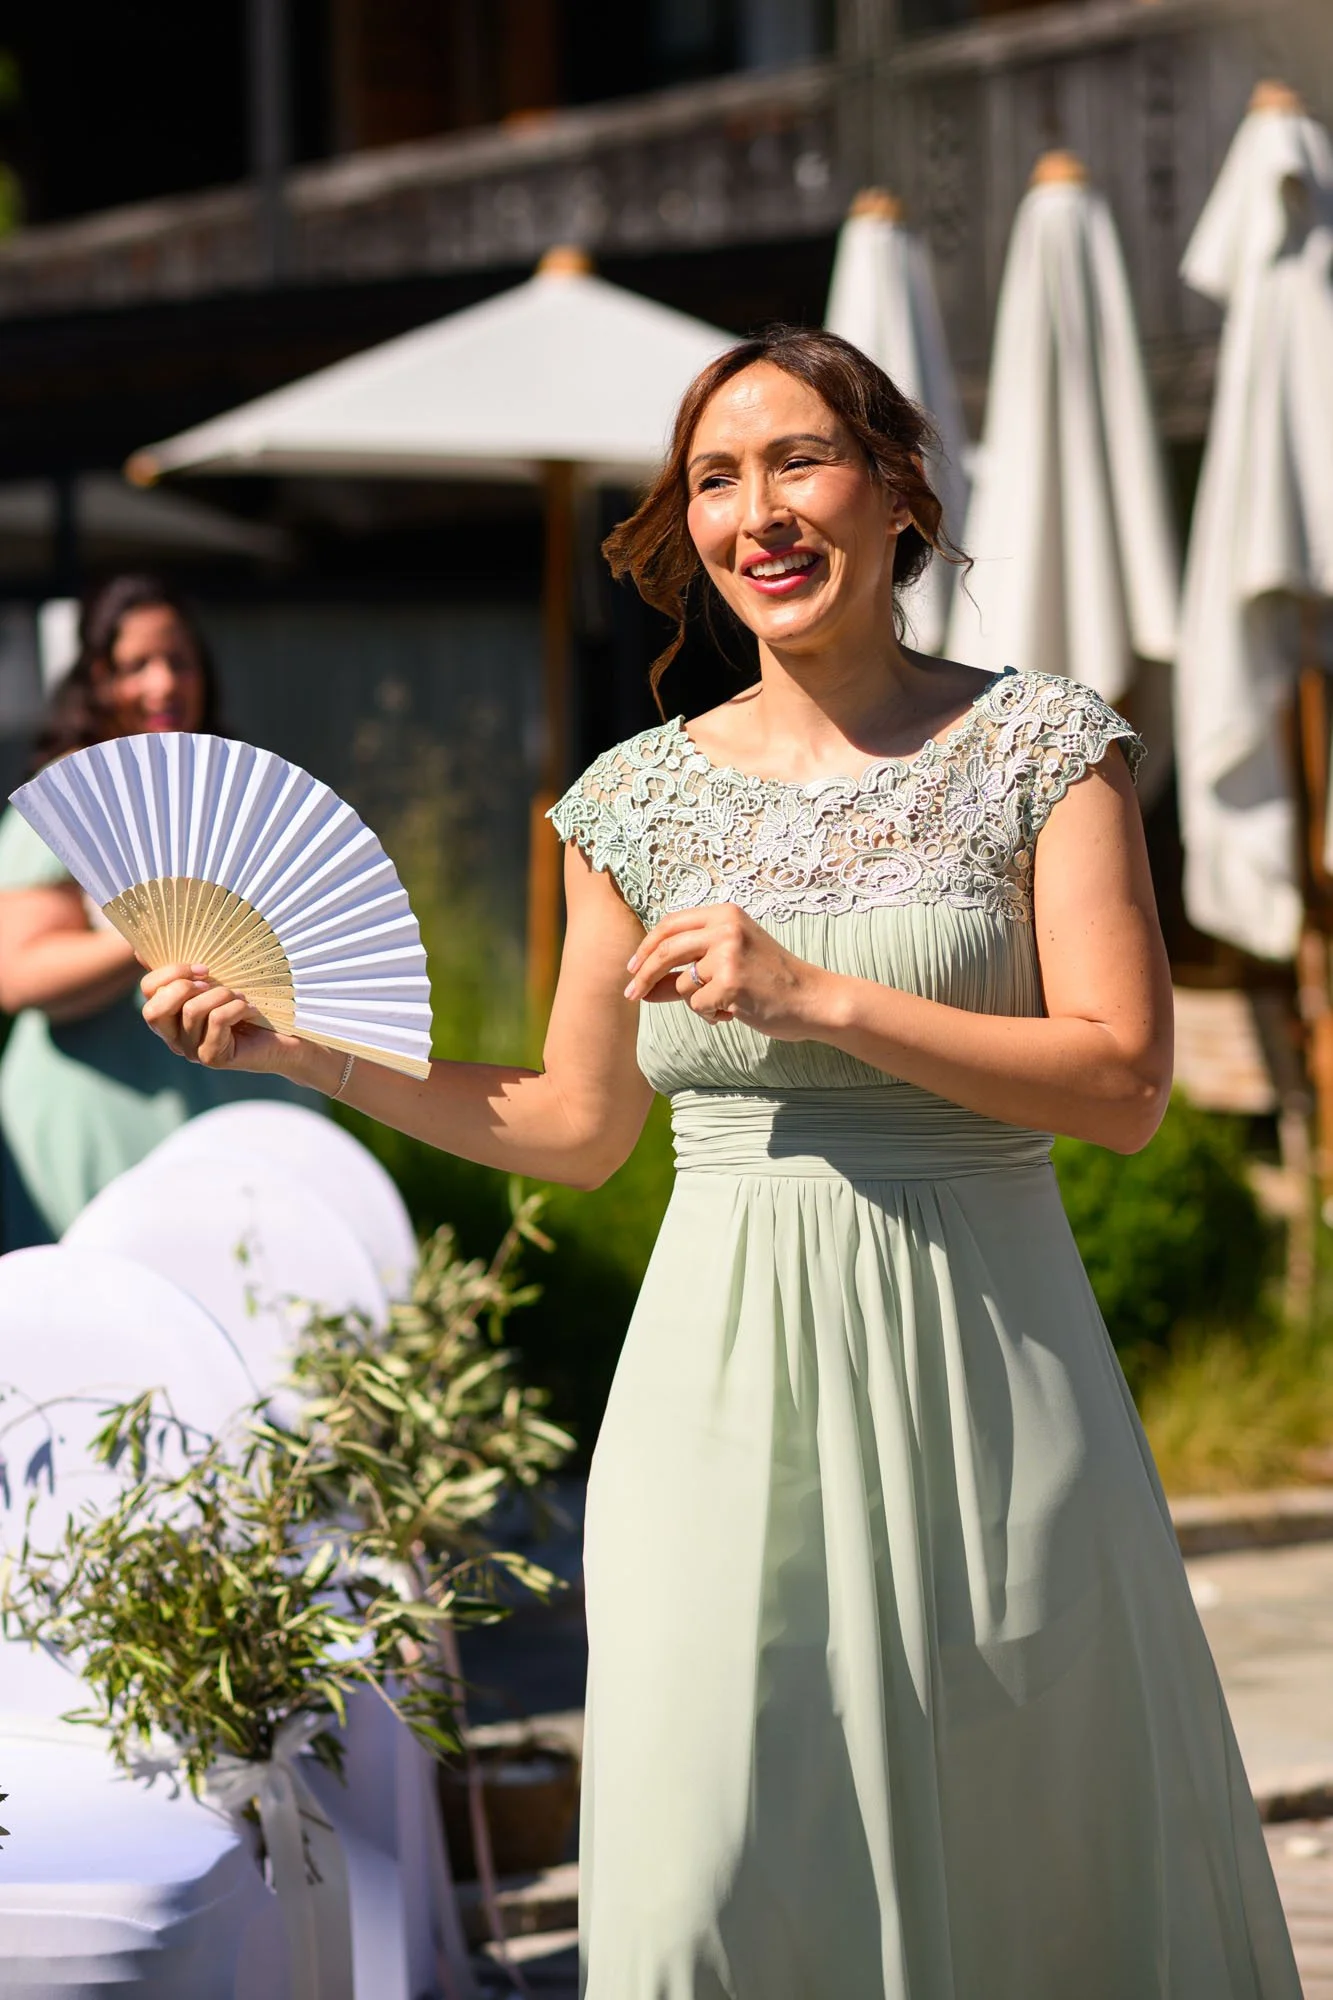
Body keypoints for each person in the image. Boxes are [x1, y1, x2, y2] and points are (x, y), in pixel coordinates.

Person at [141, 333, 1300, 1996]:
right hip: (718, 1386)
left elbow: (1118, 1082)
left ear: (894, 490)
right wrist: (295, 1048)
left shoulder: (1043, 751)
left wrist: (814, 994)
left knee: (1028, 1858)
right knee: (703, 1870)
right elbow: (569, 1125)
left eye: (797, 460)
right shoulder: (632, 802)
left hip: (989, 1371)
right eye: (711, 479)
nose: (756, 510)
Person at [0, 574, 310, 1249]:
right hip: (101, 1141)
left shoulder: (246, 793)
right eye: (136, 664)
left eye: (180, 660)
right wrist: (153, 934)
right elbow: (16, 974)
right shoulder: (71, 807)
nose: (163, 683)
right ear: (96, 681)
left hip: (244, 1129)